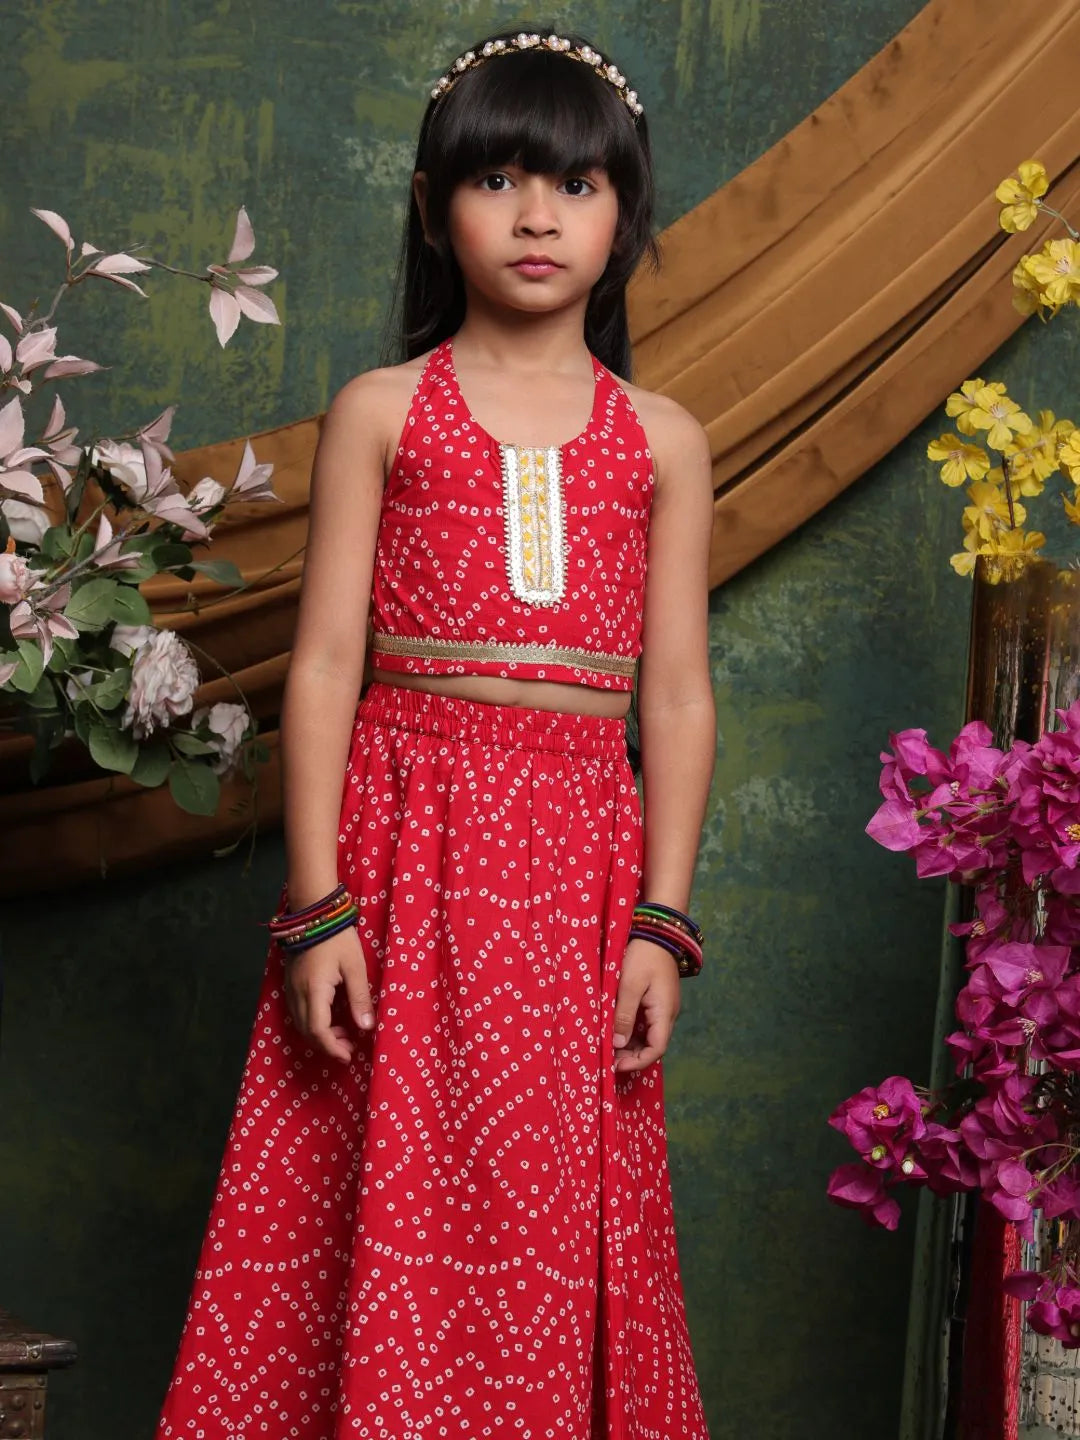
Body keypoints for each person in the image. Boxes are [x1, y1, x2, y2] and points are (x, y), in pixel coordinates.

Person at [156, 26, 716, 1440]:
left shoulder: (662, 439)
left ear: (626, 215)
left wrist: (662, 924)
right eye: (503, 180)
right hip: (398, 866)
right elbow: (329, 664)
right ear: (430, 205)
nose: (539, 215)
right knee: (370, 1194)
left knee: (544, 1214)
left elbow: (677, 698)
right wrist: (316, 906)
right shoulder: (382, 413)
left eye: (578, 187)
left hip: (580, 881)